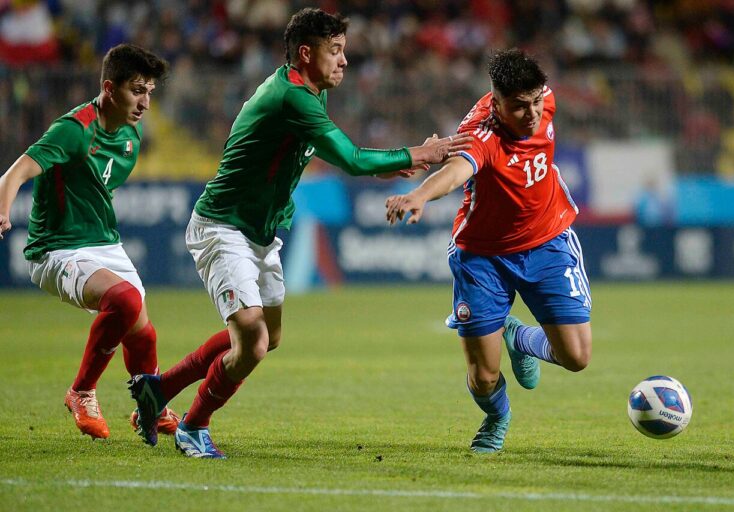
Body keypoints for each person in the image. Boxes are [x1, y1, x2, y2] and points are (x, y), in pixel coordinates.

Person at [128, 7, 471, 459]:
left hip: (260, 233)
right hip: (223, 226)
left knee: (267, 338)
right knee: (252, 341)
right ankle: (194, 426)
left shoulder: (310, 92)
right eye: (336, 50)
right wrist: (422, 153)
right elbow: (351, 158)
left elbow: (331, 152)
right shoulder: (292, 97)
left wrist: (389, 166)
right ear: (306, 54)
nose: (344, 60)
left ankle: (158, 390)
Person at [385, 49, 592, 453]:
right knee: (483, 377)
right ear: (496, 103)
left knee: (577, 357)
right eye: (519, 107)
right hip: (483, 257)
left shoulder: (544, 99)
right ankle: (497, 417)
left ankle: (519, 337)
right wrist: (420, 195)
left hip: (547, 239)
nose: (532, 114)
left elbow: (542, 98)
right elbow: (455, 171)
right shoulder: (482, 134)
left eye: (536, 102)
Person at [0, 44, 181, 440]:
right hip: (56, 248)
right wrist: (3, 211)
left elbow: (96, 187)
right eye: (137, 91)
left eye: (149, 92)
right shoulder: (73, 129)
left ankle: (150, 407)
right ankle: (81, 391)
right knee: (126, 301)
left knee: (143, 332)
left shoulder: (130, 137)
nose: (145, 103)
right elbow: (14, 174)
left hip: (104, 244)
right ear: (109, 88)